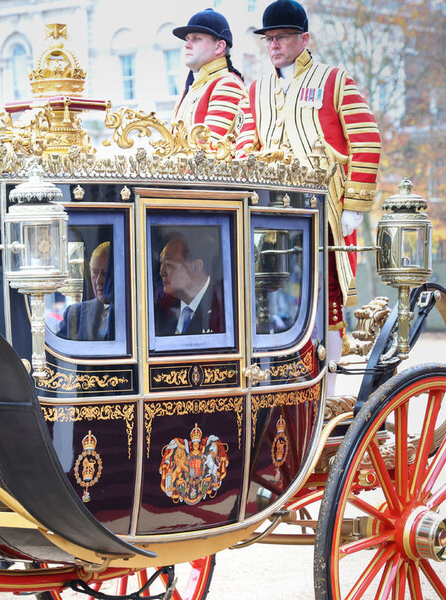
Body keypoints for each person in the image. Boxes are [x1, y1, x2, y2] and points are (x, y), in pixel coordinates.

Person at [244, 0, 381, 384]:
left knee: (328, 302)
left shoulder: (335, 80)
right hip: (269, 215)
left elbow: (367, 139)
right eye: (269, 38)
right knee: (270, 299)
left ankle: (330, 387)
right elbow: (243, 148)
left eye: (283, 37)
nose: (274, 44)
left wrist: (354, 203)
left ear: (305, 39)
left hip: (325, 214)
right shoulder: (256, 90)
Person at [171, 9, 255, 151]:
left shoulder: (228, 84)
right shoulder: (191, 88)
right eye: (187, 39)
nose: (187, 45)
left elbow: (209, 151)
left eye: (196, 38)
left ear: (219, 46)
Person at [155, 232, 224, 336]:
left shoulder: (224, 308)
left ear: (195, 268)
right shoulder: (162, 305)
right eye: (161, 263)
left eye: (169, 264)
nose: (162, 272)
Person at [57, 241, 113, 341]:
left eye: (105, 273)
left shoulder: (136, 315)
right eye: (95, 272)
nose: (99, 281)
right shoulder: (74, 314)